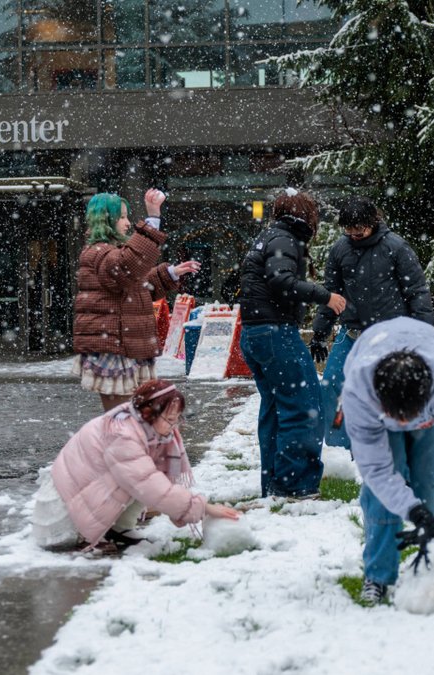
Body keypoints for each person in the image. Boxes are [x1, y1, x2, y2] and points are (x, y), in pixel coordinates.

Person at [308, 196, 434, 507]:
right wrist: (319, 331)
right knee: (333, 390)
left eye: (361, 230)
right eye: (350, 231)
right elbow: (332, 293)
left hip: (391, 336)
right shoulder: (340, 250)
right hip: (354, 334)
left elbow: (417, 292)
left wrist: (425, 336)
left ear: (373, 223)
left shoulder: (395, 247)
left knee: (395, 397)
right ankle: (344, 458)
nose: (355, 236)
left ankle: (401, 459)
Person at [342, 317, 434, 604]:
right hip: (377, 413)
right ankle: (379, 576)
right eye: (398, 418)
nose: (404, 423)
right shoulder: (358, 393)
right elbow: (377, 470)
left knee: (431, 479)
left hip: (429, 415)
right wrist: (413, 512)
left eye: (409, 417)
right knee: (380, 494)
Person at [31, 379, 241, 554]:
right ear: (149, 412)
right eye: (169, 419)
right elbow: (149, 485)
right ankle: (88, 532)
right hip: (62, 515)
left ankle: (117, 528)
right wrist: (203, 508)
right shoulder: (122, 435)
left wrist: (183, 507)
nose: (174, 426)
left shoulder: (144, 425)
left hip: (83, 492)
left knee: (140, 475)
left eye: (177, 418)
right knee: (139, 479)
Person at [238, 188, 346, 499]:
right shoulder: (284, 239)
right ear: (305, 217)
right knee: (304, 407)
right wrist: (325, 295)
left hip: (255, 333)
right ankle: (296, 484)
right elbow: (280, 280)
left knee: (274, 408)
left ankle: (273, 482)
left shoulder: (268, 236)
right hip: (276, 334)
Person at [72, 189, 201, 411]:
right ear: (106, 220)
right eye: (121, 217)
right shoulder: (99, 253)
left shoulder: (107, 253)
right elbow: (127, 268)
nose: (127, 222)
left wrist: (170, 273)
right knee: (124, 420)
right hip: (115, 349)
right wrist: (152, 221)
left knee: (130, 419)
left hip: (123, 347)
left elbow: (135, 285)